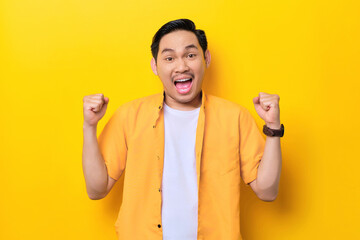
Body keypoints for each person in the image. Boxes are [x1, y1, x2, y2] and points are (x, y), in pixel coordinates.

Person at [82, 19, 283, 240]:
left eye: (190, 55)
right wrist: (89, 126)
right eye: (169, 58)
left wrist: (273, 127)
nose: (181, 67)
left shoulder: (234, 117)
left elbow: (267, 191)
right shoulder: (129, 116)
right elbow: (96, 189)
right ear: (155, 66)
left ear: (206, 58)